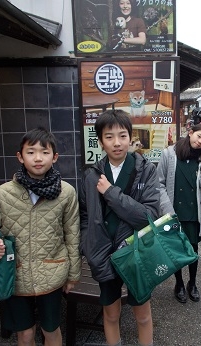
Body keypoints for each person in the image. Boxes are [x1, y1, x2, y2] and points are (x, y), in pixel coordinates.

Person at [0, 127, 81, 346]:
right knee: (25, 333)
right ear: (20, 157)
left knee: (51, 330)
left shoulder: (66, 192)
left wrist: (73, 275)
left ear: (55, 157)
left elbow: (72, 234)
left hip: (52, 272)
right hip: (15, 275)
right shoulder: (3, 194)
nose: (38, 158)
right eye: (31, 152)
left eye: (44, 152)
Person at [79, 109, 159, 346]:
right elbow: (85, 215)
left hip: (136, 252)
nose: (117, 143)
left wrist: (111, 193)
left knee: (142, 315)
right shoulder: (91, 175)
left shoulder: (146, 169)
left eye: (122, 136)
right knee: (110, 314)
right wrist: (89, 246)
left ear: (130, 137)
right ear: (100, 141)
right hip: (104, 254)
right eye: (109, 137)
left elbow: (149, 216)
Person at [157, 123, 201, 304]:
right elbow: (159, 184)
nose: (200, 142)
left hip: (193, 212)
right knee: (176, 249)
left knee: (193, 249)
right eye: (198, 136)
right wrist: (168, 211)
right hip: (173, 211)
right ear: (190, 133)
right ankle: (179, 283)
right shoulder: (169, 154)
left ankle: (193, 283)